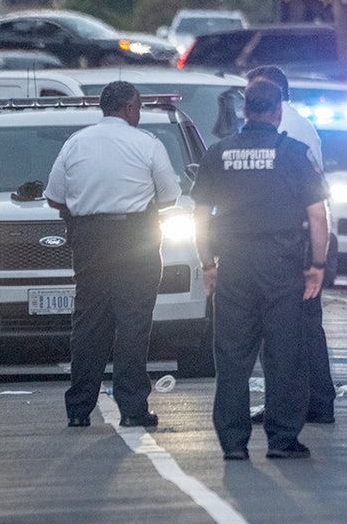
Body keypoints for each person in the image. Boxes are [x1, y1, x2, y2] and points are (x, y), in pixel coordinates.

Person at [192, 79, 329, 460]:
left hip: (233, 263)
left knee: (232, 356)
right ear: (278, 112)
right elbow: (318, 216)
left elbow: (199, 216)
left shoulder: (218, 153)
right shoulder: (295, 153)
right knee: (285, 354)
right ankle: (282, 440)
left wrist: (208, 264)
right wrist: (317, 266)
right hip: (281, 263)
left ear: (245, 110)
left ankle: (233, 443)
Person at [45, 81, 181, 429]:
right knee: (133, 321)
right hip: (135, 237)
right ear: (129, 108)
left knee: (88, 322)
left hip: (89, 237)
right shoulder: (147, 144)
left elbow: (54, 196)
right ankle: (133, 409)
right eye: (138, 107)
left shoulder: (75, 143)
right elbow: (169, 195)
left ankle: (79, 409)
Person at [245, 65, 335, 424]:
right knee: (305, 324)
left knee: (282, 326)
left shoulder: (284, 130)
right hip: (300, 236)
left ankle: (291, 403)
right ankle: (315, 401)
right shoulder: (302, 125)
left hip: (287, 238)